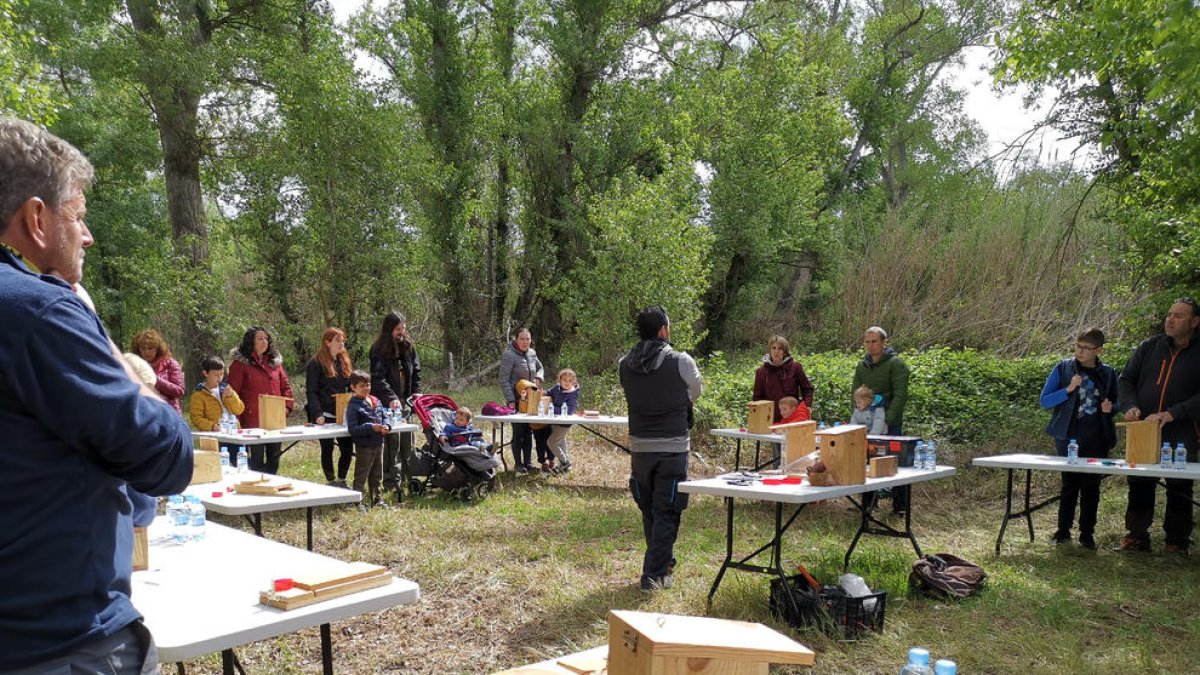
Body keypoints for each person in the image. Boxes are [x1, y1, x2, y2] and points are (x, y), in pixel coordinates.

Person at [0, 116, 194, 674]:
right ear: (36, 219)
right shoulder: (41, 313)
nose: (86, 236)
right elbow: (168, 458)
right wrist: (108, 347)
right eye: (78, 216)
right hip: (62, 645)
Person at [619, 305, 702, 591]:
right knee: (666, 511)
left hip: (640, 447)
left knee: (650, 509)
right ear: (663, 330)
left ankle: (664, 564)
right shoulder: (681, 361)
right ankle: (652, 576)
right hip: (673, 447)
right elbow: (694, 393)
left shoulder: (623, 364)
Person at [1117, 298, 1200, 554]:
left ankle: (1177, 541)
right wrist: (1130, 405)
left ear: (1195, 322)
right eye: (1169, 314)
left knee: (1179, 484)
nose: (1170, 319)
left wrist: (1175, 413)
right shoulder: (1150, 347)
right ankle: (1137, 536)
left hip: (1182, 429)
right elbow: (1126, 380)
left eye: (1178, 316)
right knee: (1140, 481)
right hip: (1144, 428)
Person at [1039, 328, 1118, 550]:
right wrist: (1069, 388)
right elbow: (1044, 401)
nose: (1080, 352)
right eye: (1077, 346)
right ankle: (1063, 531)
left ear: (1098, 350)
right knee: (1069, 485)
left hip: (1097, 437)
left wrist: (1110, 408)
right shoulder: (1063, 368)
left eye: (1086, 348)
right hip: (1067, 437)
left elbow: (1117, 403)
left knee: (1091, 487)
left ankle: (1087, 533)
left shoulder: (1108, 373)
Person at [852, 326, 911, 513]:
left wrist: (889, 420)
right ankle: (868, 504)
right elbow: (855, 393)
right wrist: (857, 416)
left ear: (884, 342)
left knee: (896, 462)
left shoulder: (896, 364)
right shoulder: (862, 366)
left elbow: (900, 395)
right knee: (868, 460)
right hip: (866, 424)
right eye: (867, 342)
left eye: (874, 341)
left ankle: (900, 505)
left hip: (889, 424)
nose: (870, 345)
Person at [369, 312, 421, 501]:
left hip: (406, 401)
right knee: (393, 443)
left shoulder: (408, 346)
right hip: (387, 404)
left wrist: (417, 391)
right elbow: (377, 378)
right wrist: (390, 397)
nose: (401, 333)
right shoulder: (377, 349)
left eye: (403, 329)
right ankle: (391, 481)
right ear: (389, 329)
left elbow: (416, 370)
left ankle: (409, 477)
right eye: (398, 330)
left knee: (408, 441)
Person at [227, 325, 294, 473]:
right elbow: (231, 394)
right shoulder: (240, 364)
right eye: (260, 338)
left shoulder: (275, 364)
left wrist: (286, 408)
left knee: (273, 463)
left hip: (275, 422)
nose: (264, 341)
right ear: (251, 341)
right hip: (251, 423)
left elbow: (286, 389)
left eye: (266, 338)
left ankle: (271, 492)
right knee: (255, 465)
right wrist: (235, 421)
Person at [306, 327, 355, 487]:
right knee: (327, 448)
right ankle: (331, 481)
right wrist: (317, 413)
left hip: (343, 414)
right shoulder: (315, 363)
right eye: (337, 341)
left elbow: (350, 386)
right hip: (324, 414)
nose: (341, 344)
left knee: (347, 448)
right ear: (327, 342)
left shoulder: (344, 362)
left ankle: (342, 479)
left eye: (342, 341)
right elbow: (311, 391)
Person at [344, 370, 391, 512]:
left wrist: (387, 426)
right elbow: (353, 429)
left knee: (377, 473)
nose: (366, 388)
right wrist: (371, 427)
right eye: (362, 386)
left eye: (368, 385)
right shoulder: (353, 406)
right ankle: (357, 501)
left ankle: (377, 498)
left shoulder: (376, 400)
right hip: (364, 445)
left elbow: (385, 415)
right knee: (361, 473)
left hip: (378, 442)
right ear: (353, 387)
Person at [500, 327, 545, 473]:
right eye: (522, 339)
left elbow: (540, 368)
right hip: (516, 399)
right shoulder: (508, 355)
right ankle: (518, 464)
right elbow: (504, 380)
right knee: (518, 433)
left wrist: (538, 377)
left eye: (528, 339)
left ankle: (528, 463)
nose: (525, 342)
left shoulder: (532, 353)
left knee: (528, 432)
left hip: (531, 398)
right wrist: (511, 400)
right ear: (516, 339)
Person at [753, 335, 815, 422]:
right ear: (770, 351)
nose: (776, 351)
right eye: (773, 348)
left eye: (780, 348)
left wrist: (807, 405)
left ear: (784, 351)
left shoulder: (795, 367)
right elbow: (757, 398)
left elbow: (807, 389)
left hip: (793, 417)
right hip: (770, 418)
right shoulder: (761, 372)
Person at [131, 328, 186, 413]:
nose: (147, 352)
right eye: (143, 349)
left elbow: (180, 390)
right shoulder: (134, 365)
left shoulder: (170, 363)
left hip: (168, 413)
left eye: (150, 348)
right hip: (143, 413)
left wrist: (155, 380)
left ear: (157, 348)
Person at [189, 354, 245, 432]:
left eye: (221, 374)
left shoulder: (226, 388)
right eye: (215, 374)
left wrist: (232, 396)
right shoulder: (198, 394)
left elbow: (239, 410)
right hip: (215, 437)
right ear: (205, 373)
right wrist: (212, 426)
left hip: (234, 433)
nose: (219, 378)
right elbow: (196, 418)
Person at [544, 368, 581, 472]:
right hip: (556, 421)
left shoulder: (572, 393)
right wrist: (543, 392)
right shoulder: (557, 387)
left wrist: (551, 408)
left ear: (573, 381)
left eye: (570, 381)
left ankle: (565, 461)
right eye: (565, 380)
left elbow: (569, 411)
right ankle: (566, 466)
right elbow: (549, 392)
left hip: (564, 423)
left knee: (551, 442)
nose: (567, 383)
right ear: (560, 380)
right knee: (561, 441)